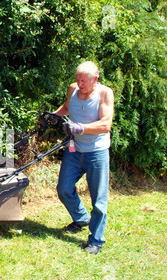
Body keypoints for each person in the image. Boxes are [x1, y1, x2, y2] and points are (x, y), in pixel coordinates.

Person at [54, 61, 114, 255]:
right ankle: (81, 218)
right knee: (63, 188)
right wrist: (52, 117)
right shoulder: (73, 89)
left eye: (83, 81)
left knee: (98, 199)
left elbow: (106, 125)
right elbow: (65, 108)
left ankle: (96, 240)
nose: (79, 84)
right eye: (77, 79)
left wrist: (81, 127)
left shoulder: (104, 93)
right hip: (74, 149)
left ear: (95, 79)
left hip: (96, 152)